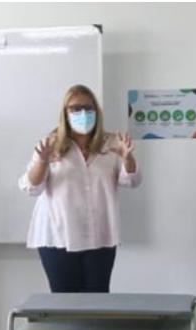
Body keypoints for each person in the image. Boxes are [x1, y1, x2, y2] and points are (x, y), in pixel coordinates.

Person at [20, 84, 141, 293]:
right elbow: (32, 187)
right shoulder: (51, 144)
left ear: (97, 112)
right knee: (64, 304)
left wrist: (127, 158)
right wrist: (41, 161)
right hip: (57, 237)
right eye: (75, 108)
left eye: (88, 108)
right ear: (65, 114)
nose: (83, 113)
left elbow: (131, 181)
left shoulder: (112, 143)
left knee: (97, 301)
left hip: (100, 235)